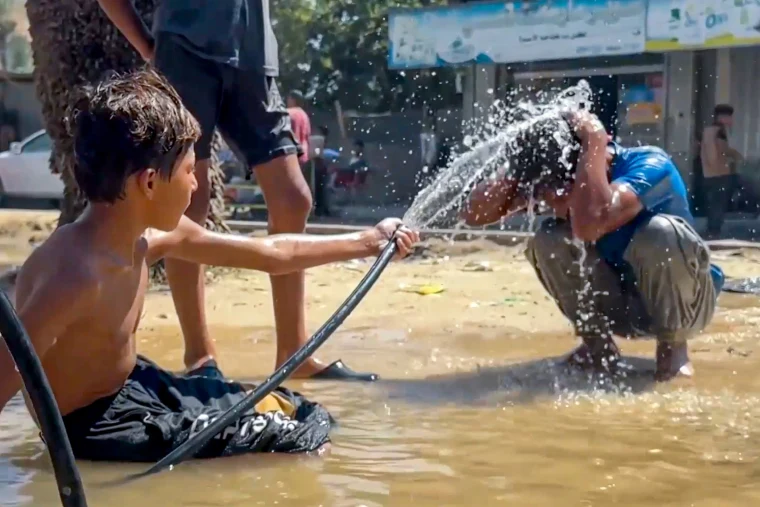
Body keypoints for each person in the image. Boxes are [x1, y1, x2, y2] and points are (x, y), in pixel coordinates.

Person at [0, 70, 419, 461]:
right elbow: (8, 367)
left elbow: (272, 255)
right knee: (291, 442)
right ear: (148, 182)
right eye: (188, 170)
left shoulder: (148, 237)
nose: (197, 183)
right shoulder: (75, 275)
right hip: (94, 428)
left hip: (135, 388)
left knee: (291, 408)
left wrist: (368, 241)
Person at [96, 0, 377, 380]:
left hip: (255, 60)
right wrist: (150, 47)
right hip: (185, 50)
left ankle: (294, 354)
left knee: (294, 198)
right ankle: (200, 357)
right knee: (187, 201)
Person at [463, 110, 723, 381]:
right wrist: (519, 169)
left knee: (660, 232)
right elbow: (473, 214)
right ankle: (598, 350)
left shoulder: (649, 164)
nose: (557, 199)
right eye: (551, 193)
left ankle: (672, 349)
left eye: (566, 189)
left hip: (687, 305)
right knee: (549, 238)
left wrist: (594, 139)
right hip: (619, 306)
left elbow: (593, 223)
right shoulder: (553, 180)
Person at [700, 104, 743, 237]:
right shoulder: (713, 131)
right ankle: (713, 231)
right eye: (729, 117)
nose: (731, 120)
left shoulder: (719, 131)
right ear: (722, 117)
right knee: (716, 204)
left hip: (720, 173)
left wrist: (736, 156)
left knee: (718, 203)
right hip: (716, 175)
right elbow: (712, 153)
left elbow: (723, 150)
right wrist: (715, 166)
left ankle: (714, 230)